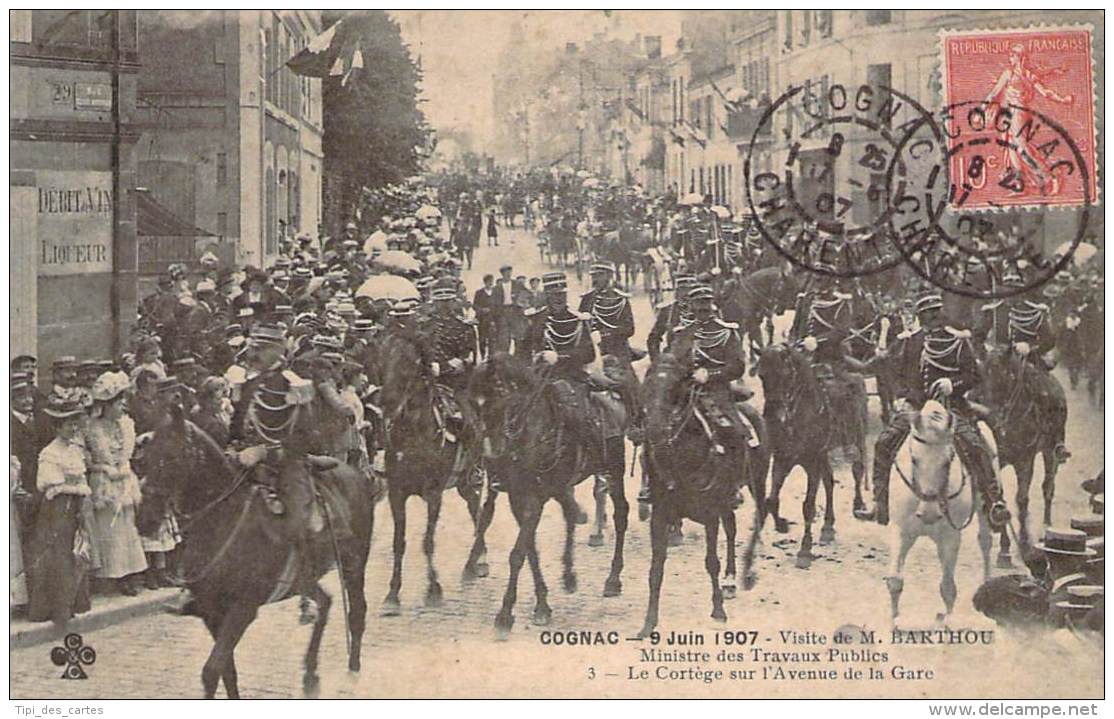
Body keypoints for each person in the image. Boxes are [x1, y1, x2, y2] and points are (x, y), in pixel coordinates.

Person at [857, 293, 1009, 528]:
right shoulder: (909, 342)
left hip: (952, 407)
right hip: (916, 408)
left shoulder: (957, 341)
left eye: (936, 314)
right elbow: (896, 373)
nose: (932, 321)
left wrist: (953, 385)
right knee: (884, 443)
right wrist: (900, 397)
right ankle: (880, 503)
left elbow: (974, 376)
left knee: (976, 446)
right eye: (928, 316)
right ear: (920, 317)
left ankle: (993, 503)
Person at [667, 284, 753, 501]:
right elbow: (672, 362)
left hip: (716, 392)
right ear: (692, 307)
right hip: (685, 391)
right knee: (658, 428)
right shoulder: (682, 333)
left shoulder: (726, 332)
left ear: (713, 306)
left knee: (735, 431)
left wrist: (711, 374)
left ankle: (735, 484)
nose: (702, 311)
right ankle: (653, 483)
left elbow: (737, 367)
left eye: (706, 306)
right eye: (698, 307)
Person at [524, 272, 604, 464]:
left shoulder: (579, 319)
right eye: (554, 295)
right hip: (540, 377)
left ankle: (596, 459)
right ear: (546, 296)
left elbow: (588, 353)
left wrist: (559, 357)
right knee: (514, 411)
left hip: (571, 376)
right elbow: (523, 350)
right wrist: (533, 362)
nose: (559, 299)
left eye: (562, 294)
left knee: (580, 416)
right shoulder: (536, 320)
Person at [27, 397, 94, 624]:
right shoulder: (50, 453)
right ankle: (57, 608)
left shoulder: (74, 450)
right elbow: (50, 483)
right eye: (67, 424)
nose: (73, 428)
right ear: (57, 427)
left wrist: (78, 488)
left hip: (74, 506)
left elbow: (81, 477)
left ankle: (73, 602)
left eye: (75, 423)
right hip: (57, 510)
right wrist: (73, 484)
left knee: (76, 551)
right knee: (58, 556)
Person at [85, 372, 148, 596]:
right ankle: (109, 576)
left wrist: (124, 467)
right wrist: (102, 468)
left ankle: (129, 574)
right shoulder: (92, 427)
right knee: (108, 529)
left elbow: (129, 453)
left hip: (124, 478)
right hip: (103, 481)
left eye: (123, 401)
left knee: (127, 527)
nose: (122, 406)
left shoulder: (127, 425)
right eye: (118, 402)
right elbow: (85, 458)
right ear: (107, 405)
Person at [578, 261, 641, 437]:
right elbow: (580, 325)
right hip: (592, 353)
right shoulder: (587, 300)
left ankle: (635, 422)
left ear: (609, 276)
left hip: (617, 352)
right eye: (593, 276)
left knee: (629, 383)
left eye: (599, 275)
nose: (595, 279)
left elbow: (629, 328)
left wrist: (605, 334)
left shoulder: (620, 299)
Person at [472, 274, 496, 360]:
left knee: (492, 339)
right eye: (488, 281)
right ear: (485, 282)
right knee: (482, 339)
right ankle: (483, 356)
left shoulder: (495, 292)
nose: (490, 283)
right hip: (482, 319)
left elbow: (498, 305)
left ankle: (491, 356)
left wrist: (492, 310)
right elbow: (474, 305)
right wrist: (482, 310)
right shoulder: (479, 293)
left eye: (491, 281)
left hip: (493, 319)